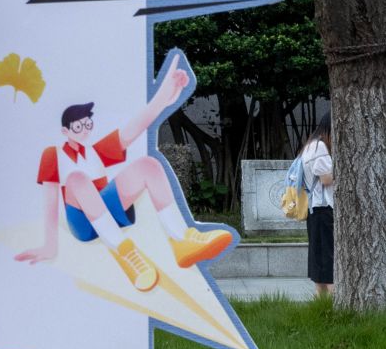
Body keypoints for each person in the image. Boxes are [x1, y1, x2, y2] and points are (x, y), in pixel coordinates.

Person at [16, 55, 232, 292]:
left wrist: (164, 95)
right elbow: (50, 200)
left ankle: (182, 239)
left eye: (87, 124)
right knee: (77, 179)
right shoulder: (53, 154)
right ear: (65, 131)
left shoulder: (95, 152)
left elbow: (135, 128)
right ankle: (127, 255)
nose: (84, 130)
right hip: (82, 222)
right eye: (78, 126)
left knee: (148, 165)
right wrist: (50, 245)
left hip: (108, 211)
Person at [297, 124, 335, 296]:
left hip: (314, 209)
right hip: (323, 208)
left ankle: (320, 302)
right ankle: (333, 299)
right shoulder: (320, 147)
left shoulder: (309, 146)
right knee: (328, 256)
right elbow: (326, 179)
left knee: (319, 257)